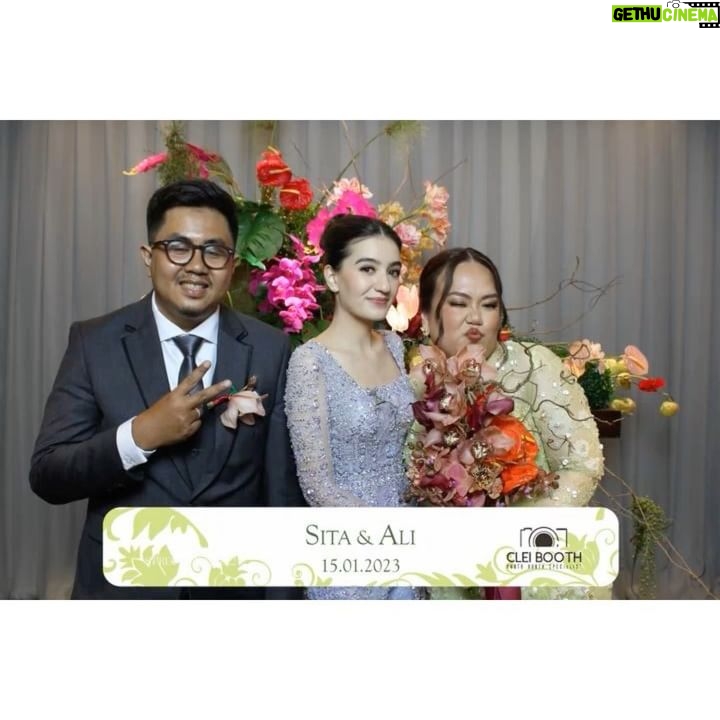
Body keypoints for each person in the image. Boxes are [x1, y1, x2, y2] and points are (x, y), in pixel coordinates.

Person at [30, 178, 305, 599]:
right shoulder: (94, 343)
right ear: (148, 257)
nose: (197, 265)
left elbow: (282, 497)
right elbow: (49, 475)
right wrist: (139, 435)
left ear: (232, 265)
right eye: (178, 247)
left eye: (214, 251)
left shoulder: (271, 348)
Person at [418, 247, 608, 600]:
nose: (476, 318)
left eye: (489, 305)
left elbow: (583, 466)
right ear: (426, 316)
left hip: (539, 568)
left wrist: (509, 537)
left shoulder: (535, 367)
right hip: (451, 574)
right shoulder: (417, 386)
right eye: (458, 303)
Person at [284, 214, 420, 600]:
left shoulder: (394, 345)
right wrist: (389, 537)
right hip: (348, 556)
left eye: (392, 271)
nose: (384, 285)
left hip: (412, 550)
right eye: (367, 269)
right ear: (331, 277)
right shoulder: (310, 362)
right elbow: (317, 486)